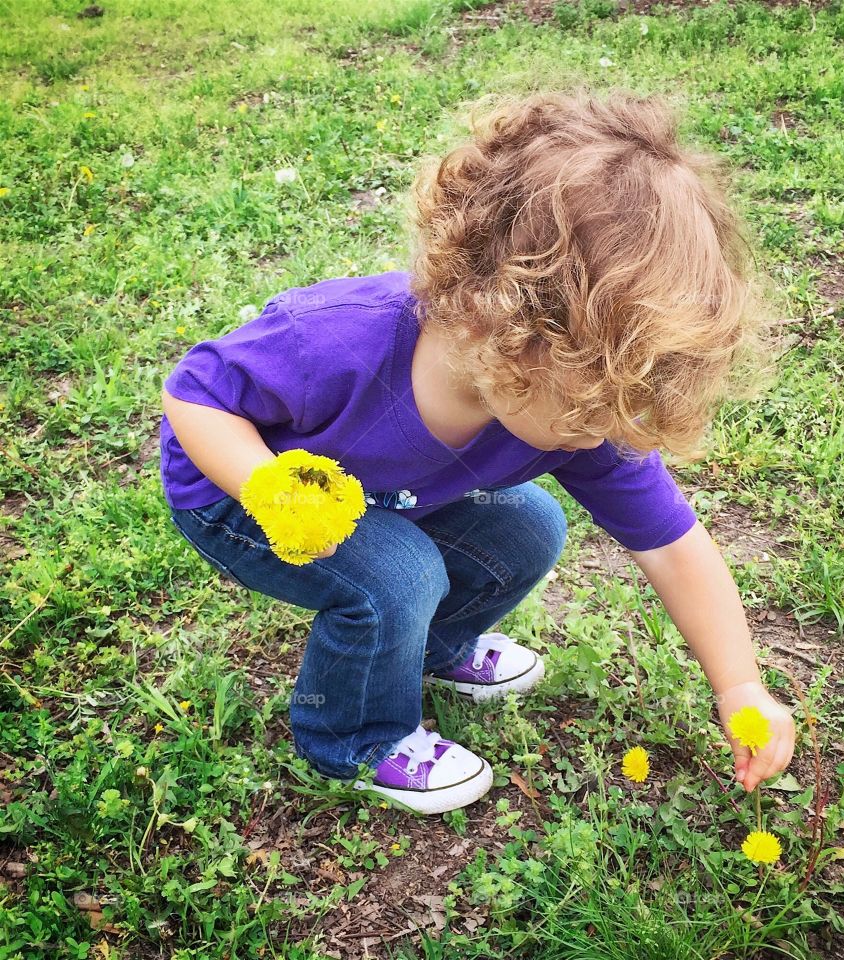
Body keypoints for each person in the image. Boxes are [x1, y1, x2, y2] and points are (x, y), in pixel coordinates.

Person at [159, 87, 795, 815]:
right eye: (592, 406)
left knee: (529, 526)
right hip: (237, 496)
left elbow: (674, 546)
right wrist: (268, 486)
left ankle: (430, 648)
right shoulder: (335, 339)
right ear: (508, 328)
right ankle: (355, 736)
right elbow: (194, 394)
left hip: (380, 498)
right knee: (398, 575)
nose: (603, 432)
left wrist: (740, 685)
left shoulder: (579, 405)